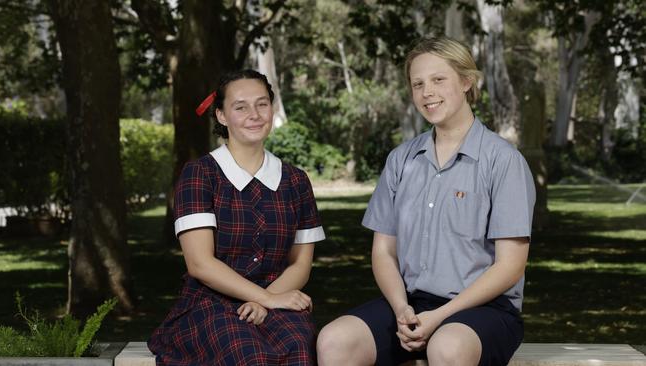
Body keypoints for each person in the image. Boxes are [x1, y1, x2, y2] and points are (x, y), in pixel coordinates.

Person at [316, 36, 536, 366]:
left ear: (466, 82)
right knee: (334, 341)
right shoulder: (401, 160)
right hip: (410, 305)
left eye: (438, 80)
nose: (426, 92)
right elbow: (384, 251)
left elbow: (510, 266)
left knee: (446, 347)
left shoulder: (503, 161)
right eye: (417, 84)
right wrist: (402, 308)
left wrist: (441, 316)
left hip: (485, 310)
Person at [148, 69, 325, 366]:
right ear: (221, 116)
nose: (254, 115)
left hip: (277, 297)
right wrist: (264, 299)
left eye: (262, 104)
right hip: (209, 304)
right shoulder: (200, 174)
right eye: (240, 107)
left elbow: (301, 264)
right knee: (249, 356)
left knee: (300, 347)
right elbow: (200, 263)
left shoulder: (296, 181)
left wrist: (266, 300)